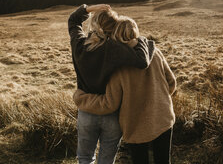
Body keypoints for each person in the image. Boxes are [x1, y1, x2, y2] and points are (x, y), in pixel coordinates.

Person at [73, 16, 176, 164]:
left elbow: (109, 104)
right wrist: (158, 100)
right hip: (163, 118)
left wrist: (80, 98)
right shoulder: (155, 52)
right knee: (163, 161)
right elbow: (172, 83)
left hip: (136, 127)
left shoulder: (118, 67)